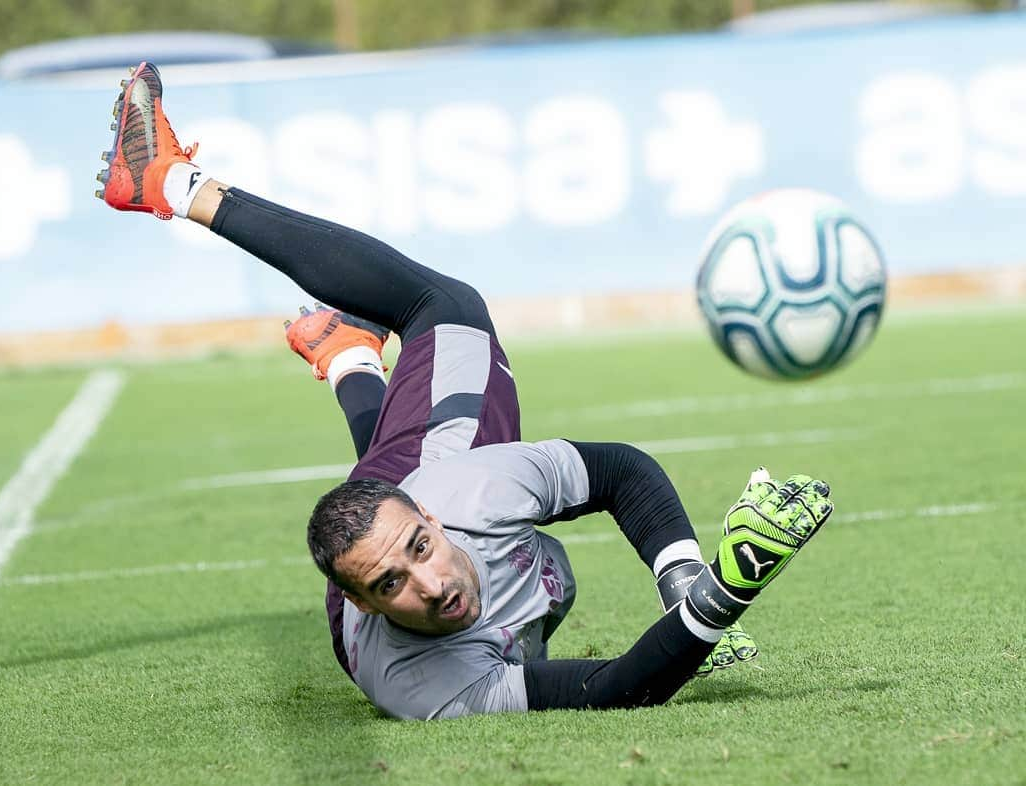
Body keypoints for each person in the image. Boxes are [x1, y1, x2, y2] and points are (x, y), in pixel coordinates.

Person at [97, 62, 835, 720]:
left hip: (426, 490)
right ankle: (204, 217)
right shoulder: (419, 685)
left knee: (447, 316)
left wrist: (680, 578)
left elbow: (618, 472)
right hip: (401, 518)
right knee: (439, 319)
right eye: (393, 583)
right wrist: (726, 588)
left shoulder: (466, 494)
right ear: (362, 603)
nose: (433, 584)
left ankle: (185, 192)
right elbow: (611, 691)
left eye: (421, 546)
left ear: (432, 520)